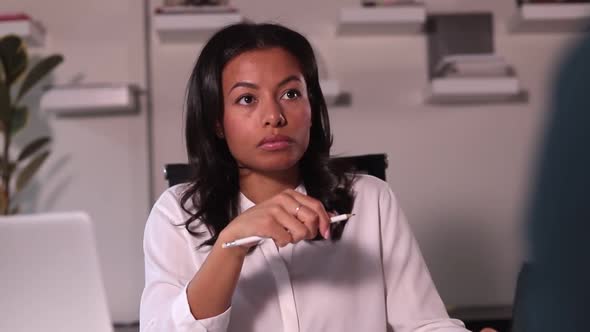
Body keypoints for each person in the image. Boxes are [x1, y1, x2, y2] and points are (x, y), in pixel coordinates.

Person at [139, 22, 469, 332]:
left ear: (313, 108)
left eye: (291, 94)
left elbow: (425, 324)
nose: (274, 116)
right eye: (247, 99)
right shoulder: (176, 214)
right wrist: (230, 244)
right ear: (217, 123)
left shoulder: (370, 199)